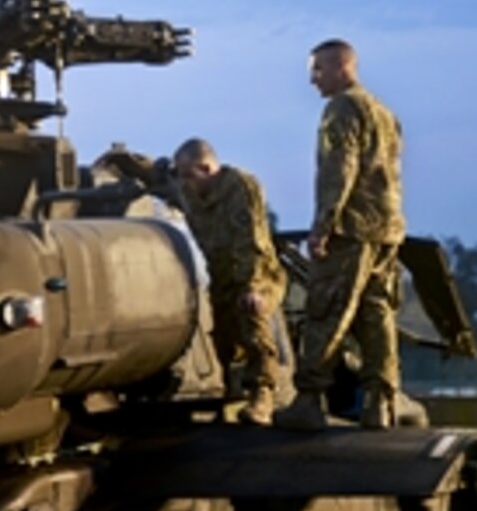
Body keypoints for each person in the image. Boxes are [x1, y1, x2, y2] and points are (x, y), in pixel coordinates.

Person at [274, 39, 406, 431]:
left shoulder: (342, 108)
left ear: (341, 67)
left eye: (317, 69)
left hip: (350, 230)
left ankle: (310, 400)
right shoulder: (383, 111)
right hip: (386, 229)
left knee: (324, 311)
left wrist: (323, 227)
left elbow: (339, 169)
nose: (312, 80)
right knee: (376, 314)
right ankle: (380, 403)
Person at [173, 138, 288, 425]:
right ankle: (232, 394)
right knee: (223, 335)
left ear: (208, 167)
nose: (184, 182)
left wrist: (252, 286)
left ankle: (262, 395)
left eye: (189, 174)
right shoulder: (188, 190)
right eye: (180, 174)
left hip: (254, 270)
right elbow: (160, 176)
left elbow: (251, 240)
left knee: (253, 326)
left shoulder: (239, 187)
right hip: (220, 272)